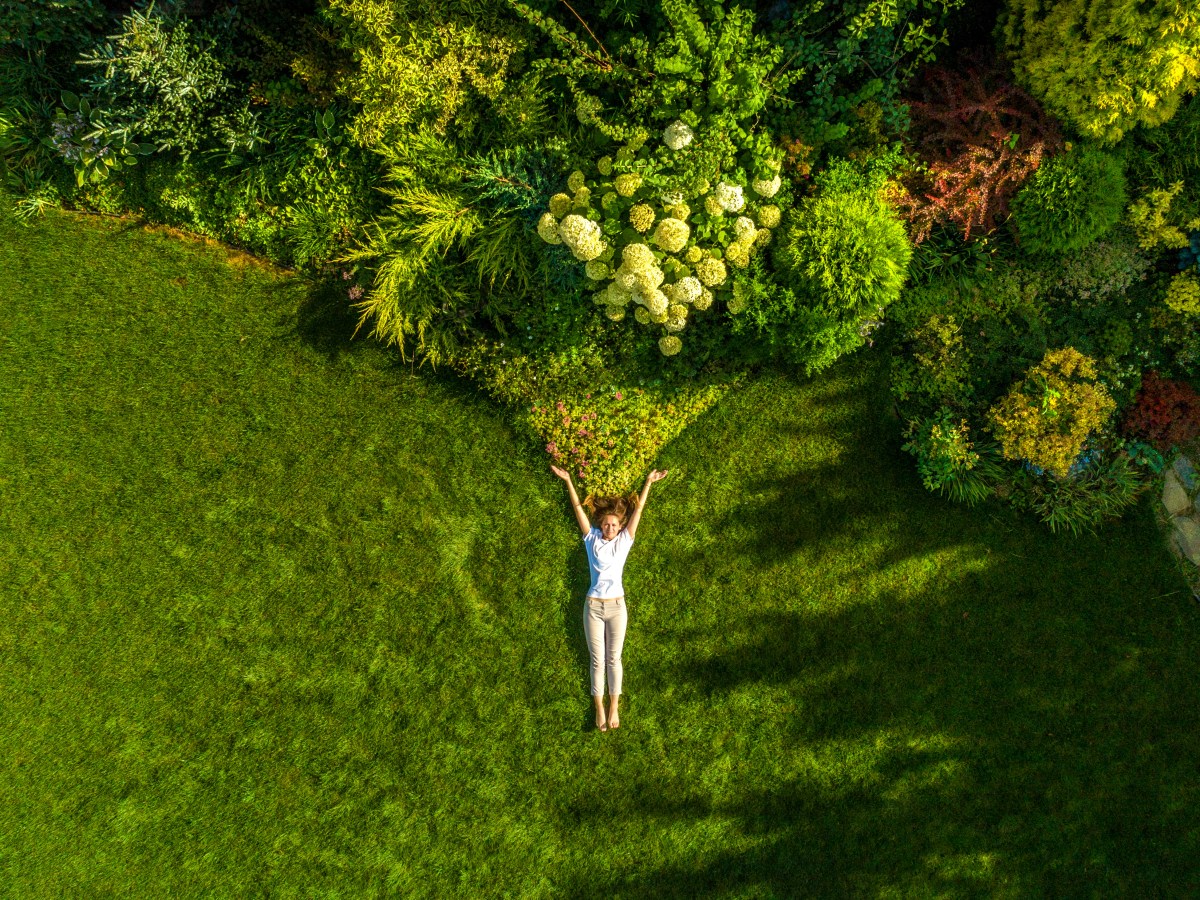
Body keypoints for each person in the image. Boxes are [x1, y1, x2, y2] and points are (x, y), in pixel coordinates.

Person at [550, 464, 669, 732]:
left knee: (614, 658)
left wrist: (648, 482)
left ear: (620, 526)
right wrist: (568, 480)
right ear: (600, 525)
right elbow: (578, 509)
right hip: (593, 606)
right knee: (597, 659)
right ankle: (599, 708)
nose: (610, 527)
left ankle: (614, 706)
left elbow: (639, 510)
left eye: (614, 524)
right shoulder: (591, 539)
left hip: (617, 606)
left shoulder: (625, 541)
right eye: (606, 524)